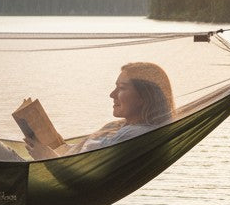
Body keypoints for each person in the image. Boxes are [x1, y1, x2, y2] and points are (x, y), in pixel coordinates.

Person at [23, 61, 175, 159]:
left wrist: (46, 156)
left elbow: (81, 175)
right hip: (48, 163)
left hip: (32, 174)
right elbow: (80, 158)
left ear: (144, 97)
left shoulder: (133, 135)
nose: (112, 94)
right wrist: (54, 140)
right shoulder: (121, 127)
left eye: (121, 88)